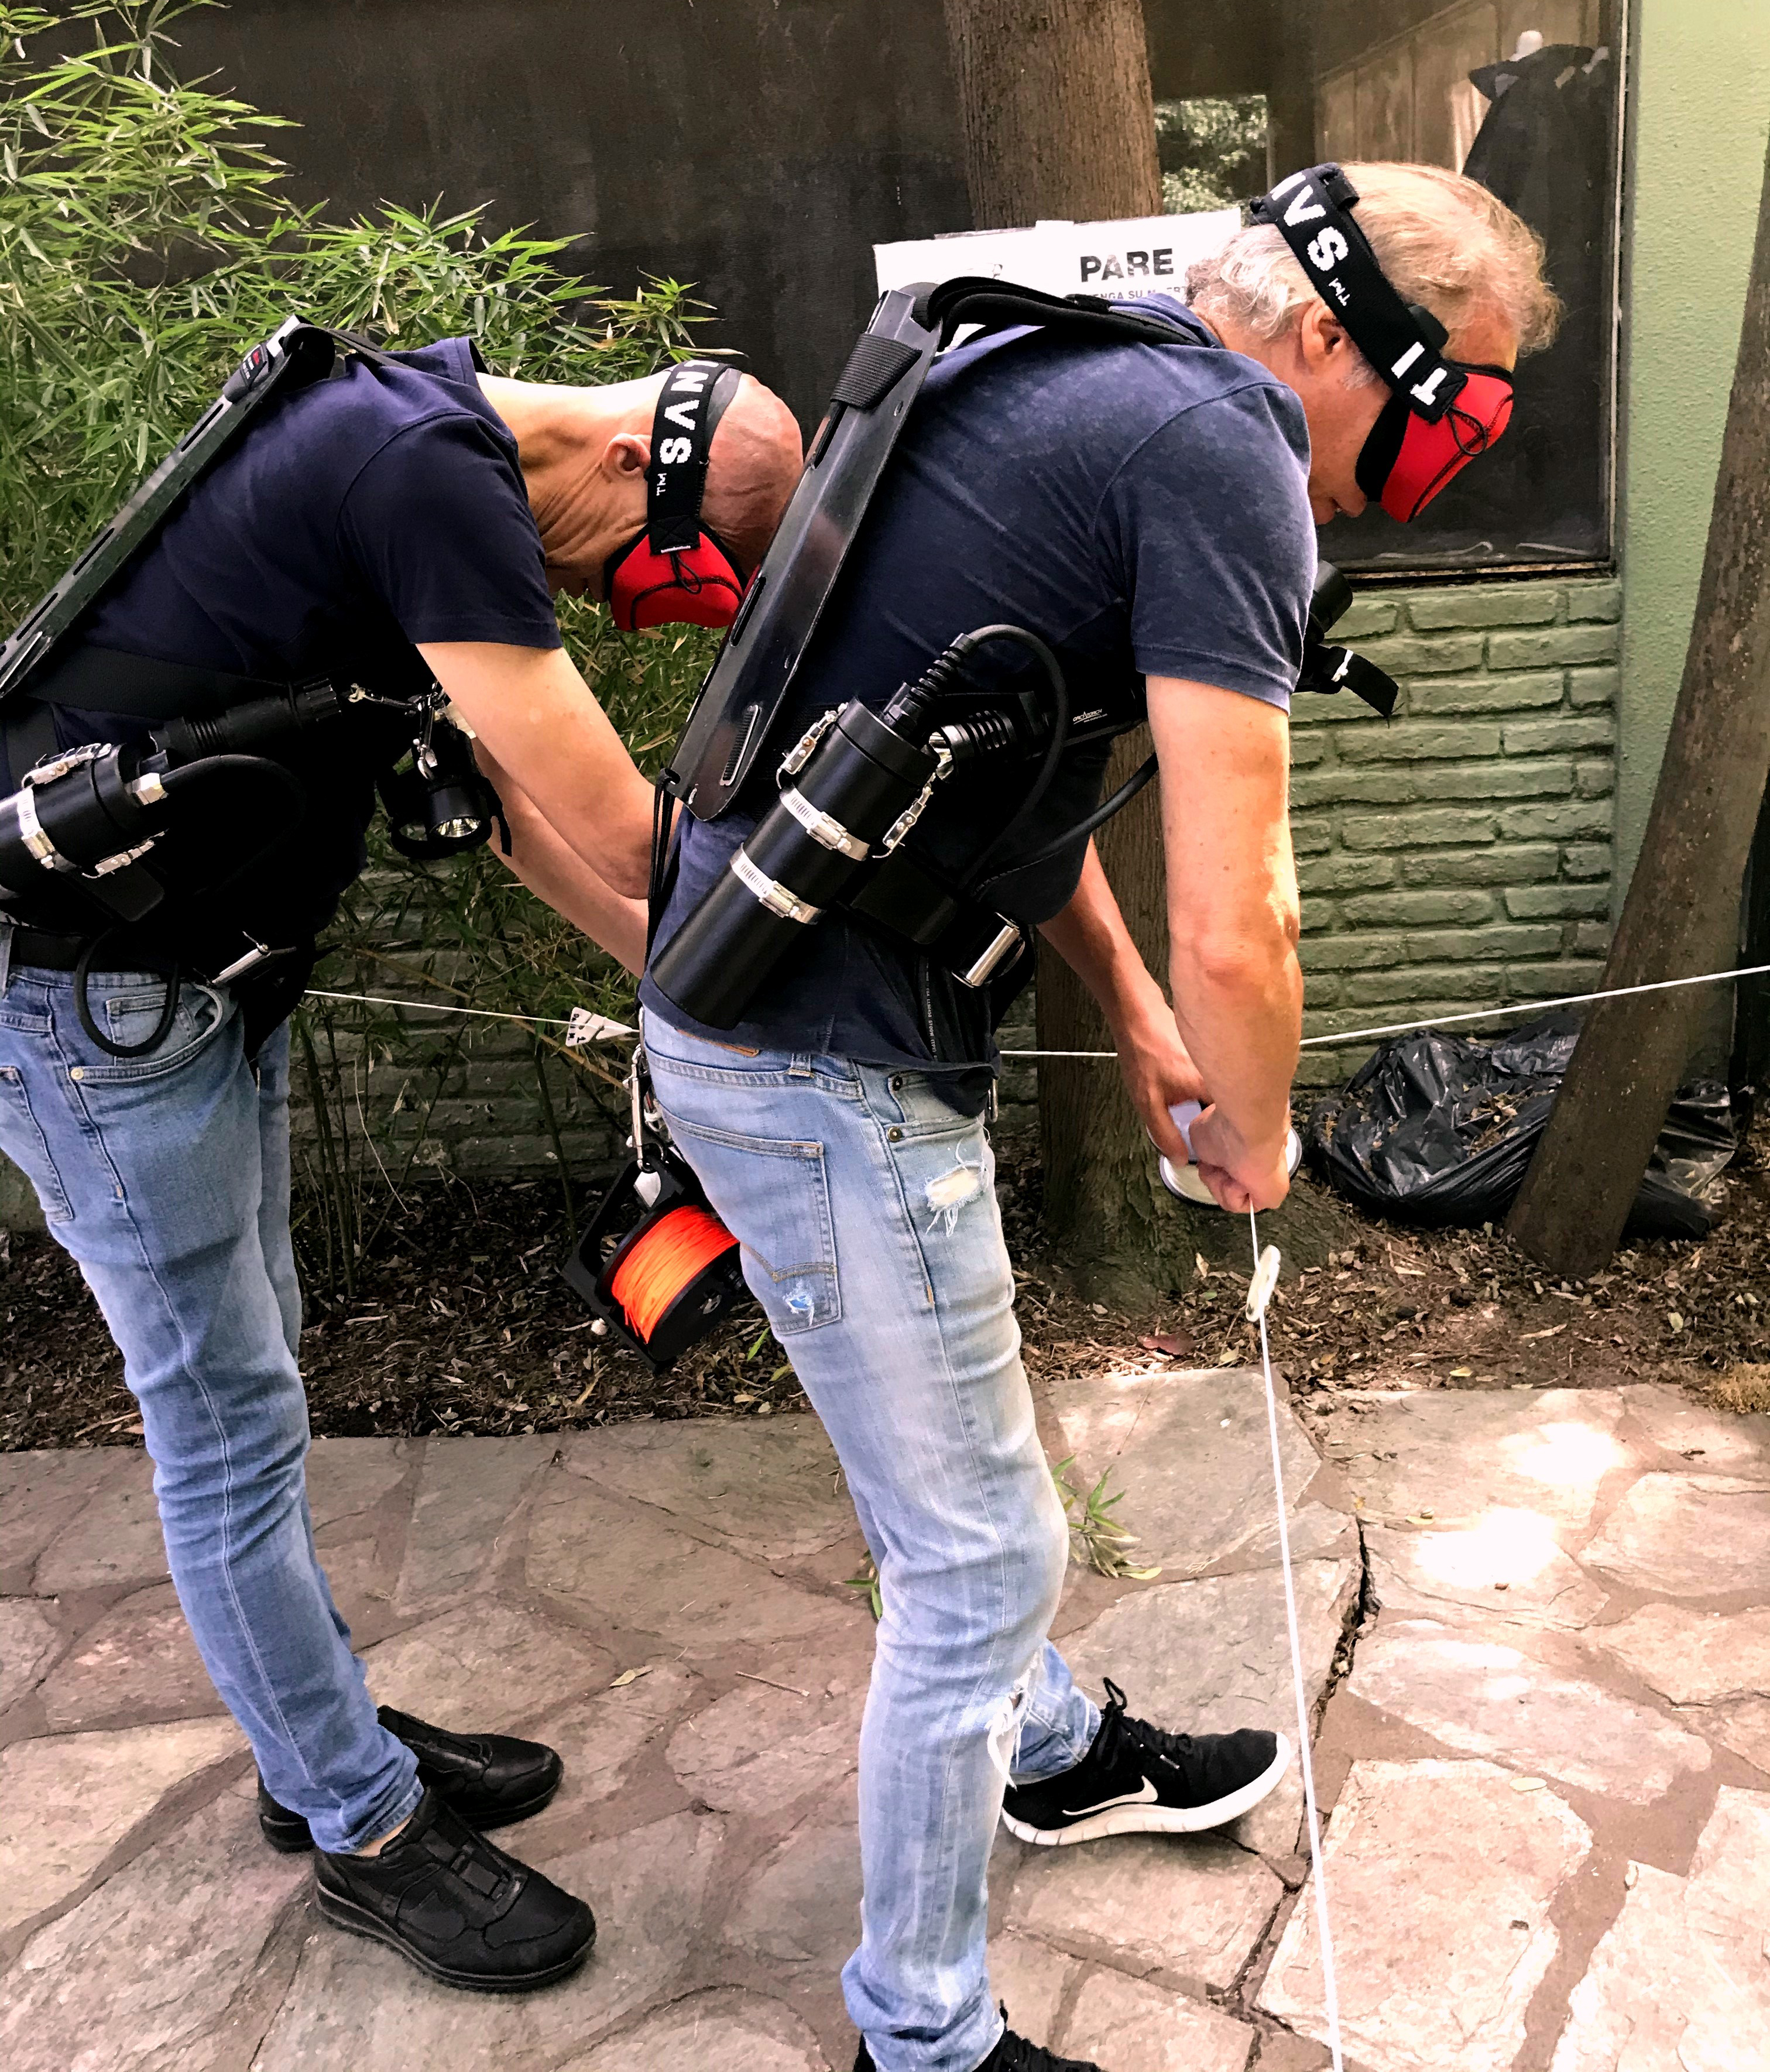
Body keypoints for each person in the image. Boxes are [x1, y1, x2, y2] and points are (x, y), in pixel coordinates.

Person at [639, 163, 1560, 2072]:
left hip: (794, 1006)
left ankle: (1047, 1760)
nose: (1447, 447)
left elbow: (991, 744)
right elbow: (1255, 908)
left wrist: (1139, 1016)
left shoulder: (1088, 375)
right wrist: (1258, 1118)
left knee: (953, 1501)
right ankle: (925, 2029)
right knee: (975, 1553)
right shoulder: (1222, 445)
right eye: (1449, 399)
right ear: (1331, 337)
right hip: (816, 1053)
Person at [0, 335, 802, 1990]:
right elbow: (600, 795)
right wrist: (785, 953)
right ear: (623, 469)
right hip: (90, 1002)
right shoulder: (424, 466)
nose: (606, 601)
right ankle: (356, 1823)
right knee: (222, 1426)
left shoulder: (415, 456)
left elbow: (508, 808)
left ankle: (324, 1727)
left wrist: (687, 991)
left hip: (188, 992)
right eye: (644, 575)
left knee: (256, 1385)